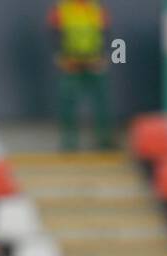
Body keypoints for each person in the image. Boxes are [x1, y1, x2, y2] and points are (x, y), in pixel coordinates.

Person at [47, 0, 112, 150]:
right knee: (68, 103)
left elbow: (106, 33)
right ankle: (69, 142)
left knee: (101, 102)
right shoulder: (62, 9)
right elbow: (53, 34)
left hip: (94, 61)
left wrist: (104, 57)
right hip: (71, 62)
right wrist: (60, 57)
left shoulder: (97, 8)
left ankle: (104, 140)